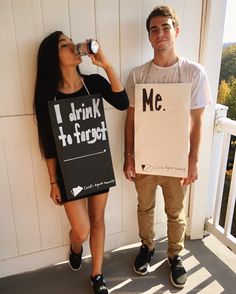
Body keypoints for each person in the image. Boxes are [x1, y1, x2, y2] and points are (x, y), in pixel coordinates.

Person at [34, 31, 129, 294]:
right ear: (54, 58)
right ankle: (76, 246)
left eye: (71, 42)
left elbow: (122, 103)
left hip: (96, 162)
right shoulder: (48, 97)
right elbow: (49, 144)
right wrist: (53, 181)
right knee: (82, 229)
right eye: (64, 45)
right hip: (68, 171)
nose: (73, 47)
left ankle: (97, 275)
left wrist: (106, 65)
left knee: (98, 220)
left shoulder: (93, 82)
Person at [123, 5, 212, 288]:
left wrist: (193, 160)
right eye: (154, 29)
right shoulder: (137, 76)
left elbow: (198, 122)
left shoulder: (194, 74)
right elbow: (130, 120)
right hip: (146, 159)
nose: (159, 33)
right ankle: (147, 247)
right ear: (149, 37)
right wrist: (129, 156)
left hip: (176, 161)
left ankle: (175, 255)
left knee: (176, 212)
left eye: (165, 27)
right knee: (145, 207)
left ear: (176, 31)